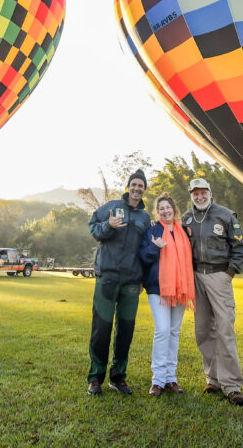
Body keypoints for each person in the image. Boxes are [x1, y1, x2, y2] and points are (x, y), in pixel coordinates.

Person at [182, 178, 243, 406]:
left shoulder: (226, 215)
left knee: (225, 329)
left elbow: (240, 247)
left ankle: (232, 385)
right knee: (203, 329)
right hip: (196, 278)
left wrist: (228, 273)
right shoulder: (187, 218)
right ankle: (213, 379)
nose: (199, 197)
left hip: (219, 275)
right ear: (191, 195)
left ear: (210, 192)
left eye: (203, 192)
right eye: (195, 193)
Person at [86, 169, 151, 396]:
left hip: (132, 282)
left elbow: (146, 251)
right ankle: (95, 378)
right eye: (134, 184)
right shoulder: (112, 207)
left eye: (141, 185)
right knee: (101, 329)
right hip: (108, 276)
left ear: (144, 189)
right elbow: (93, 228)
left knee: (126, 331)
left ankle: (118, 377)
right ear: (128, 186)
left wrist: (143, 278)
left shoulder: (145, 218)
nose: (137, 188)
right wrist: (108, 226)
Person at [139, 194, 194, 397]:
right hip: (158, 288)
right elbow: (143, 256)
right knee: (162, 330)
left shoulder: (184, 232)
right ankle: (158, 380)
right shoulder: (153, 230)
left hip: (180, 288)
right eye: (161, 208)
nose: (165, 211)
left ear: (174, 209)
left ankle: (171, 378)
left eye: (168, 207)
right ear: (157, 212)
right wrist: (155, 247)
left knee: (174, 332)